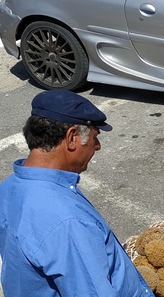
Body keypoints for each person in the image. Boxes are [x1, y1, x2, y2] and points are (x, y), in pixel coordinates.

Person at [0, 90, 154, 297]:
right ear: (72, 137)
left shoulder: (10, 186)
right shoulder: (67, 222)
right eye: (94, 138)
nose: (97, 147)